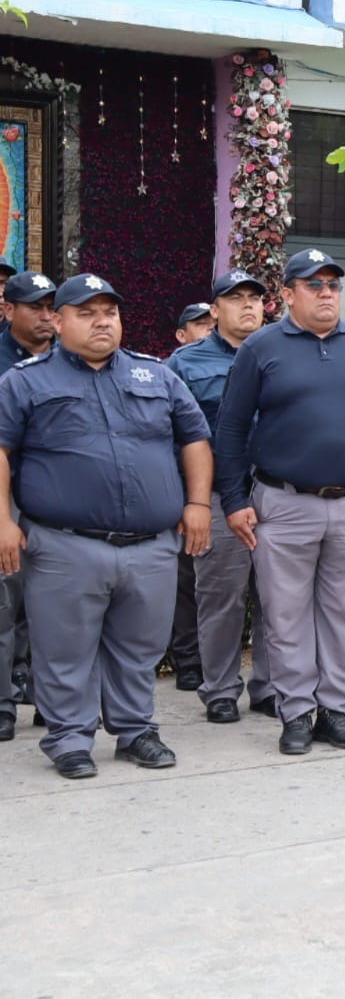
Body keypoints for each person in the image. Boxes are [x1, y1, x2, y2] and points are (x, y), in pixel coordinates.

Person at [0, 273, 212, 778]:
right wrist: (4, 521)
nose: (102, 322)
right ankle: (70, 738)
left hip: (150, 545)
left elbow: (195, 439)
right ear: (58, 319)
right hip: (64, 545)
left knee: (140, 646)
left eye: (109, 312)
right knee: (64, 646)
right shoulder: (25, 381)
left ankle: (136, 730)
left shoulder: (156, 376)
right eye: (87, 313)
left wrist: (199, 504)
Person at [213, 248, 345, 756]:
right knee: (285, 614)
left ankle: (335, 709)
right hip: (284, 503)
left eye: (333, 285)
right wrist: (234, 499)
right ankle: (297, 712)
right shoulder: (261, 348)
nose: (327, 294)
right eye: (314, 285)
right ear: (287, 295)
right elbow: (232, 429)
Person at [166, 269, 273, 722]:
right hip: (214, 496)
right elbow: (169, 435)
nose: (248, 305)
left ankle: (269, 686)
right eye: (236, 298)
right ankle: (221, 688)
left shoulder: (281, 354)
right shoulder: (185, 363)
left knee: (278, 598)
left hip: (276, 492)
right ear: (215, 310)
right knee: (221, 597)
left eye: (255, 298)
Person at [0, 269, 54, 743]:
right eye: (34, 306)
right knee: (4, 602)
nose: (45, 315)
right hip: (6, 496)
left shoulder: (70, 358)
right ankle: (2, 701)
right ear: (8, 310)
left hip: (55, 497)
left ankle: (46, 697)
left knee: (51, 604)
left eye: (49, 306)